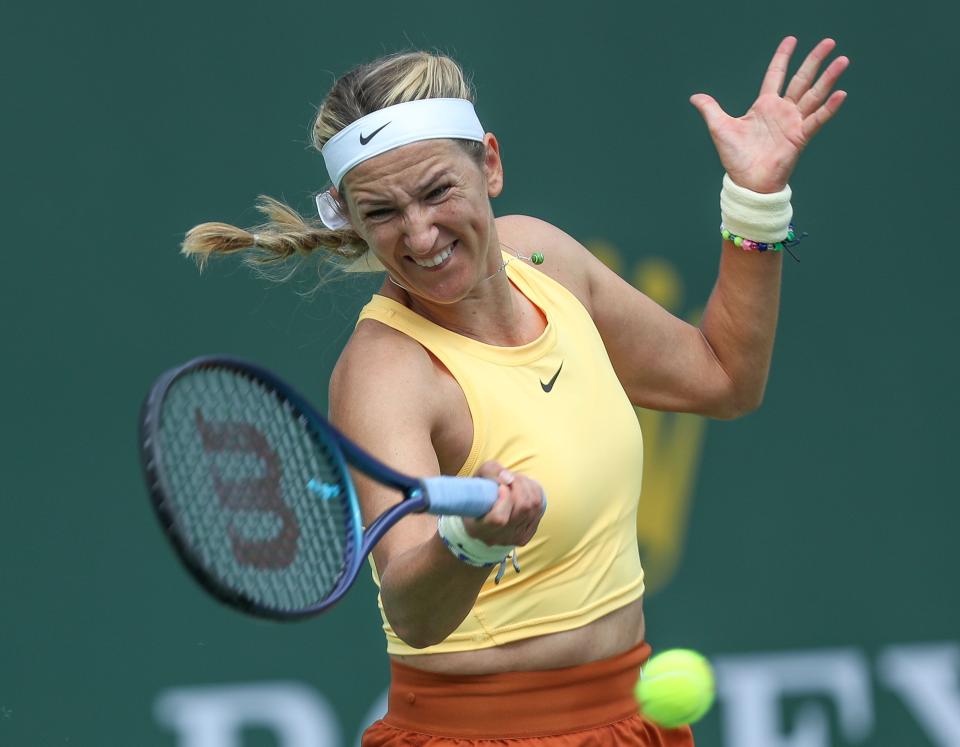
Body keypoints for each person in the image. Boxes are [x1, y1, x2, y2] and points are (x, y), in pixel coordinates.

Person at [182, 38, 848, 746]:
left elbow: (723, 376)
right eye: (380, 212)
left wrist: (756, 198)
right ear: (349, 219)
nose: (419, 233)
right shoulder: (386, 372)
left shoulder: (545, 257)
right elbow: (414, 609)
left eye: (438, 190)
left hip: (630, 720)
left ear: (489, 164)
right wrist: (471, 540)